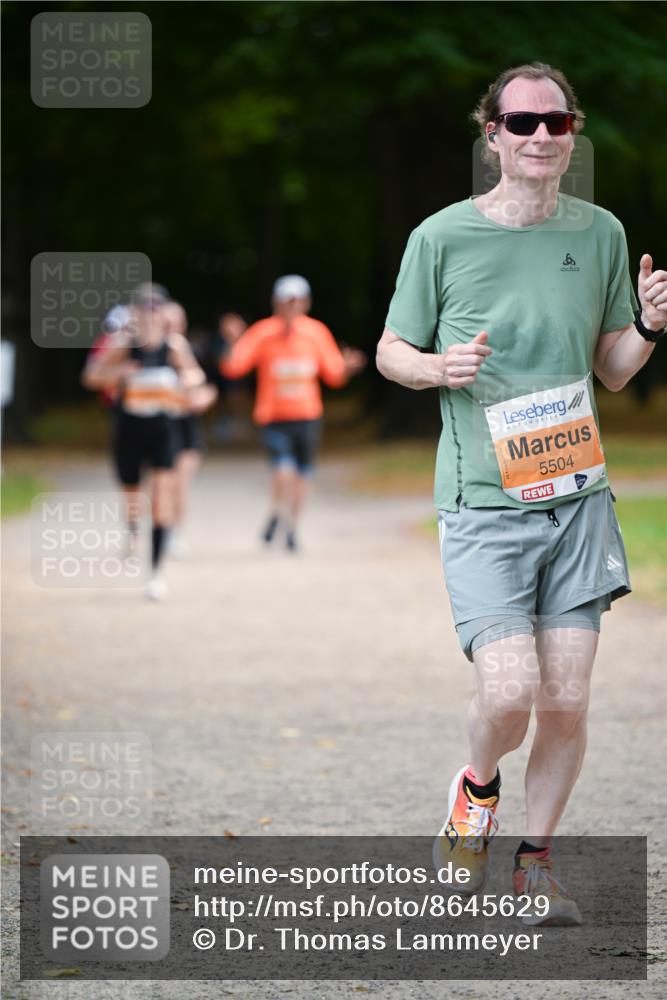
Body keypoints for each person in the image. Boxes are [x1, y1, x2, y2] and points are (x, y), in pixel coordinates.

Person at [376, 62, 666, 925]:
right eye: (521, 122)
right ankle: (475, 790)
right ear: (491, 132)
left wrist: (648, 324)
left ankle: (535, 863)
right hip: (482, 502)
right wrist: (436, 367)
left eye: (556, 122)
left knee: (567, 698)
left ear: (570, 133)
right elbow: (391, 349)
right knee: (507, 692)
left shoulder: (602, 232)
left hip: (576, 499)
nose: (540, 136)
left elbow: (611, 371)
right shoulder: (441, 238)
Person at [221, 275, 365, 551]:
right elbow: (233, 368)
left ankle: (290, 526)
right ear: (276, 302)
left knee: (302, 475)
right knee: (282, 472)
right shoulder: (262, 332)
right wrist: (233, 340)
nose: (292, 306)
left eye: (297, 300)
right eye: (287, 300)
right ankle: (278, 511)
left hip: (307, 415)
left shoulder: (316, 332)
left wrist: (347, 367)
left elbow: (334, 376)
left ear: (306, 302)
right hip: (273, 416)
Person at [83, 284, 205, 599]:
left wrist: (186, 382)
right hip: (129, 430)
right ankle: (134, 530)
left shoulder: (174, 346)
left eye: (156, 306)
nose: (150, 312)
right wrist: (120, 372)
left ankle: (156, 572)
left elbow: (196, 376)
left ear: (164, 311)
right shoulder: (124, 343)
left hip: (164, 430)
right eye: (144, 306)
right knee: (132, 490)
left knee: (162, 497)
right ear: (135, 311)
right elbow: (92, 375)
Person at [161, 300, 218, 558]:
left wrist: (202, 398)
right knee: (162, 483)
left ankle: (176, 533)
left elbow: (209, 387)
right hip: (159, 426)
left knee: (181, 484)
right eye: (167, 322)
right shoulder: (149, 353)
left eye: (176, 322)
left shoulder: (192, 352)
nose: (171, 327)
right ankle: (157, 528)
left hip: (186, 426)